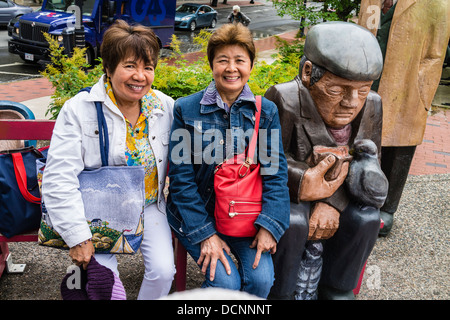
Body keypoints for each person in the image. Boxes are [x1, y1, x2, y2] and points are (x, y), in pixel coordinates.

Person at [41, 20, 175, 300]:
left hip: (149, 205)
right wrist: (78, 236)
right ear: (109, 67)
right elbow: (58, 177)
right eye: (130, 66)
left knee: (163, 272)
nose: (140, 76)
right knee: (106, 286)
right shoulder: (79, 109)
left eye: (148, 67)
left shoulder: (163, 106)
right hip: (96, 210)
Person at [166, 23, 290, 298]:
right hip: (197, 212)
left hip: (243, 216)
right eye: (223, 60)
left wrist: (270, 226)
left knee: (260, 281)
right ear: (212, 65)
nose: (231, 68)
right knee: (225, 284)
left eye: (239, 61)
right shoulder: (185, 109)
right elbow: (180, 179)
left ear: (251, 65)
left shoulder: (265, 112)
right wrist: (205, 234)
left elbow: (275, 174)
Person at [264, 21, 384, 300]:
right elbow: (268, 160)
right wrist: (306, 183)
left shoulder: (372, 105)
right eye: (337, 89)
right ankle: (279, 292)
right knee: (292, 222)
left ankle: (337, 290)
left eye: (362, 90)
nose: (351, 102)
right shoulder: (284, 98)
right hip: (292, 195)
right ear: (308, 73)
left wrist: (330, 202)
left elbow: (370, 166)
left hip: (341, 196)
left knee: (365, 218)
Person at [358, 0, 450, 236]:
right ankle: (361, 197)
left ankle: (388, 207)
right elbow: (365, 30)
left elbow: (436, 53)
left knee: (401, 145)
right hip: (368, 77)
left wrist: (423, 87)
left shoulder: (438, 3)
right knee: (364, 139)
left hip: (408, 83)